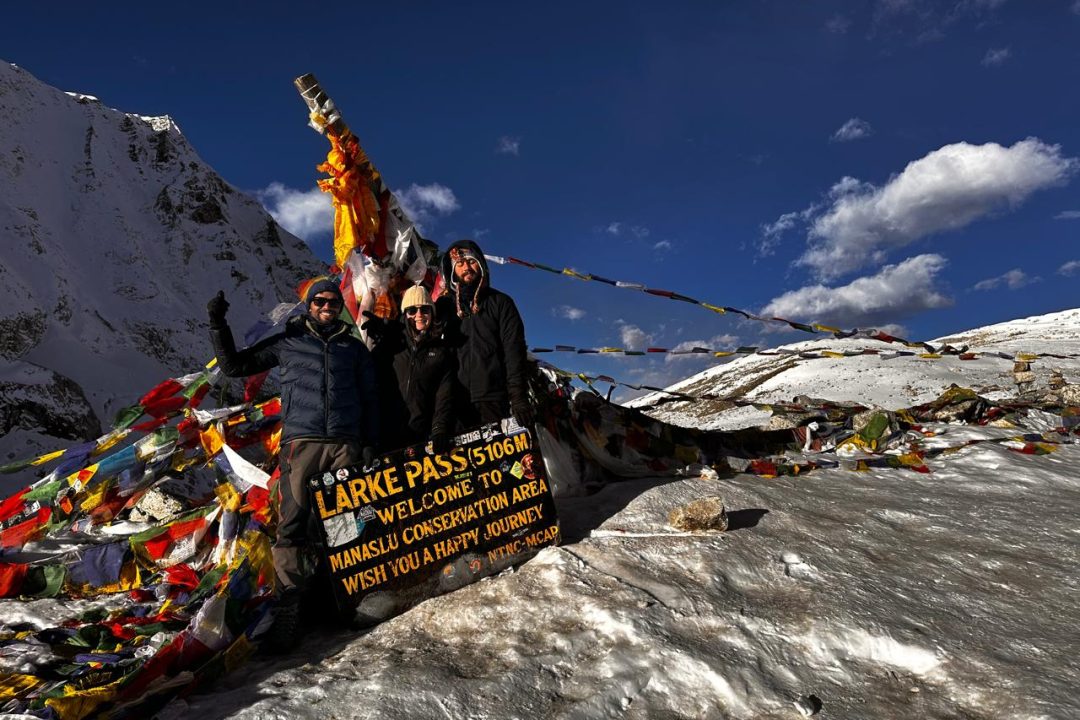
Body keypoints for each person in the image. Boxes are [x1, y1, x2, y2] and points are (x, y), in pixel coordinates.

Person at [206, 277, 377, 651]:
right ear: (310, 305)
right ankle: (289, 604)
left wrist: (367, 443)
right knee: (294, 522)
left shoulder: (353, 349)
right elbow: (235, 366)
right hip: (301, 443)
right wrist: (218, 324)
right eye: (320, 302)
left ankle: (349, 594)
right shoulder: (288, 343)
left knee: (347, 521)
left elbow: (370, 397)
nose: (328, 307)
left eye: (333, 302)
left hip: (346, 444)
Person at [436, 239, 533, 429]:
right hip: (455, 404)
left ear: (481, 264)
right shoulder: (444, 308)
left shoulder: (501, 302)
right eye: (460, 264)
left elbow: (514, 353)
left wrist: (518, 397)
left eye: (472, 262)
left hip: (494, 399)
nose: (467, 268)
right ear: (453, 270)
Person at [363, 285, 454, 453]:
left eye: (425, 309)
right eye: (412, 310)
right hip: (384, 436)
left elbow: (443, 396)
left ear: (432, 313)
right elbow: (368, 391)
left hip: (420, 438)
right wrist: (368, 439)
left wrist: (439, 429)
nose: (419, 315)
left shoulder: (441, 352)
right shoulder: (390, 345)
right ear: (405, 314)